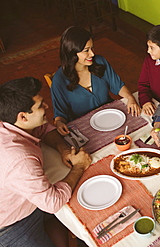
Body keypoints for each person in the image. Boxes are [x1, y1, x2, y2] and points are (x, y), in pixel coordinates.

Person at [0, 77, 92, 246]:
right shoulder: (19, 159)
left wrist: (63, 149)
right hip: (11, 226)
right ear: (23, 117)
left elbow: (42, 128)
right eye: (41, 105)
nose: (47, 107)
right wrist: (79, 166)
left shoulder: (9, 122)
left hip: (31, 203)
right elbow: (53, 202)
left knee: (85, 214)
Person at [51, 26, 141, 135]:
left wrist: (130, 97)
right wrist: (59, 123)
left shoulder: (100, 62)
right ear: (72, 53)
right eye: (86, 51)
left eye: (92, 48)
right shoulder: (59, 80)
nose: (92, 54)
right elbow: (60, 114)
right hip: (85, 129)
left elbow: (118, 86)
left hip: (111, 118)